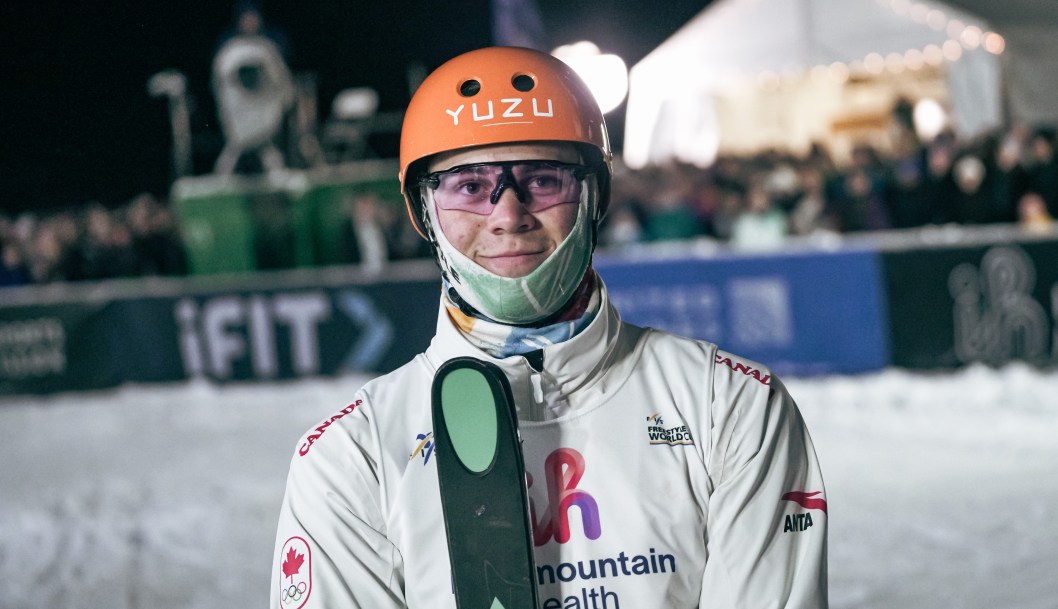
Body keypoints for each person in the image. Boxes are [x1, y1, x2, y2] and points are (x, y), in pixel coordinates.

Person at [270, 47, 828, 608]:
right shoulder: (351, 456)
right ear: (423, 210)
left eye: (541, 180)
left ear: (593, 196)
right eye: (468, 186)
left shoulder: (727, 405)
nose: (508, 216)